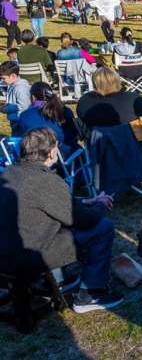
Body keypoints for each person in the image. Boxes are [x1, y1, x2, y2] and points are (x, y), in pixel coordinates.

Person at [0, 127, 123, 314]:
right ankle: (92, 292)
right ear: (50, 153)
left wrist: (88, 201)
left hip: (6, 251)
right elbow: (83, 220)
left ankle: (61, 278)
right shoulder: (45, 180)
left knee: (56, 227)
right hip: (27, 257)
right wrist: (100, 205)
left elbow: (48, 204)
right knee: (102, 227)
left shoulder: (9, 173)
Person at [77, 67, 142, 129]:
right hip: (131, 145)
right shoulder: (131, 99)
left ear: (95, 84)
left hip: (98, 146)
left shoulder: (84, 101)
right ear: (117, 81)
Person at [17, 81, 80, 156]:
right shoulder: (65, 111)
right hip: (67, 157)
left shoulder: (25, 115)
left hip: (37, 157)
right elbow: (75, 135)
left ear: (33, 97)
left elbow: (21, 139)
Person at [0, 60, 32, 133]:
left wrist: (7, 108)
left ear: (13, 76)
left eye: (3, 78)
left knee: (19, 139)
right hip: (14, 119)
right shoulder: (12, 84)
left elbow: (24, 106)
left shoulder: (21, 88)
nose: (2, 81)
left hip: (20, 121)